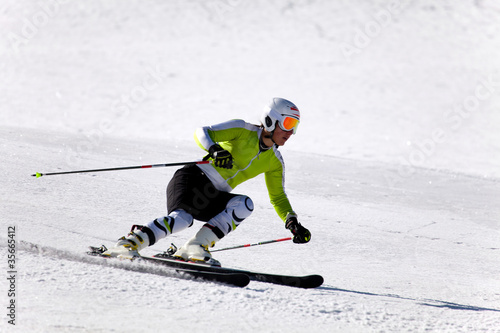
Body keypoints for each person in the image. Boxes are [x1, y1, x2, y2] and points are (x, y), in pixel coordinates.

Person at [103, 97, 311, 265]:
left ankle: (195, 247)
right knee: (182, 219)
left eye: (295, 126)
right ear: (271, 120)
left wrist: (291, 221)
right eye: (288, 123)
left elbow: (278, 197)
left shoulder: (274, 161)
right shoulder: (242, 130)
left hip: (212, 196)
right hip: (193, 179)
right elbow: (201, 132)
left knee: (244, 204)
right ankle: (128, 244)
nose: (291, 132)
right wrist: (214, 148)